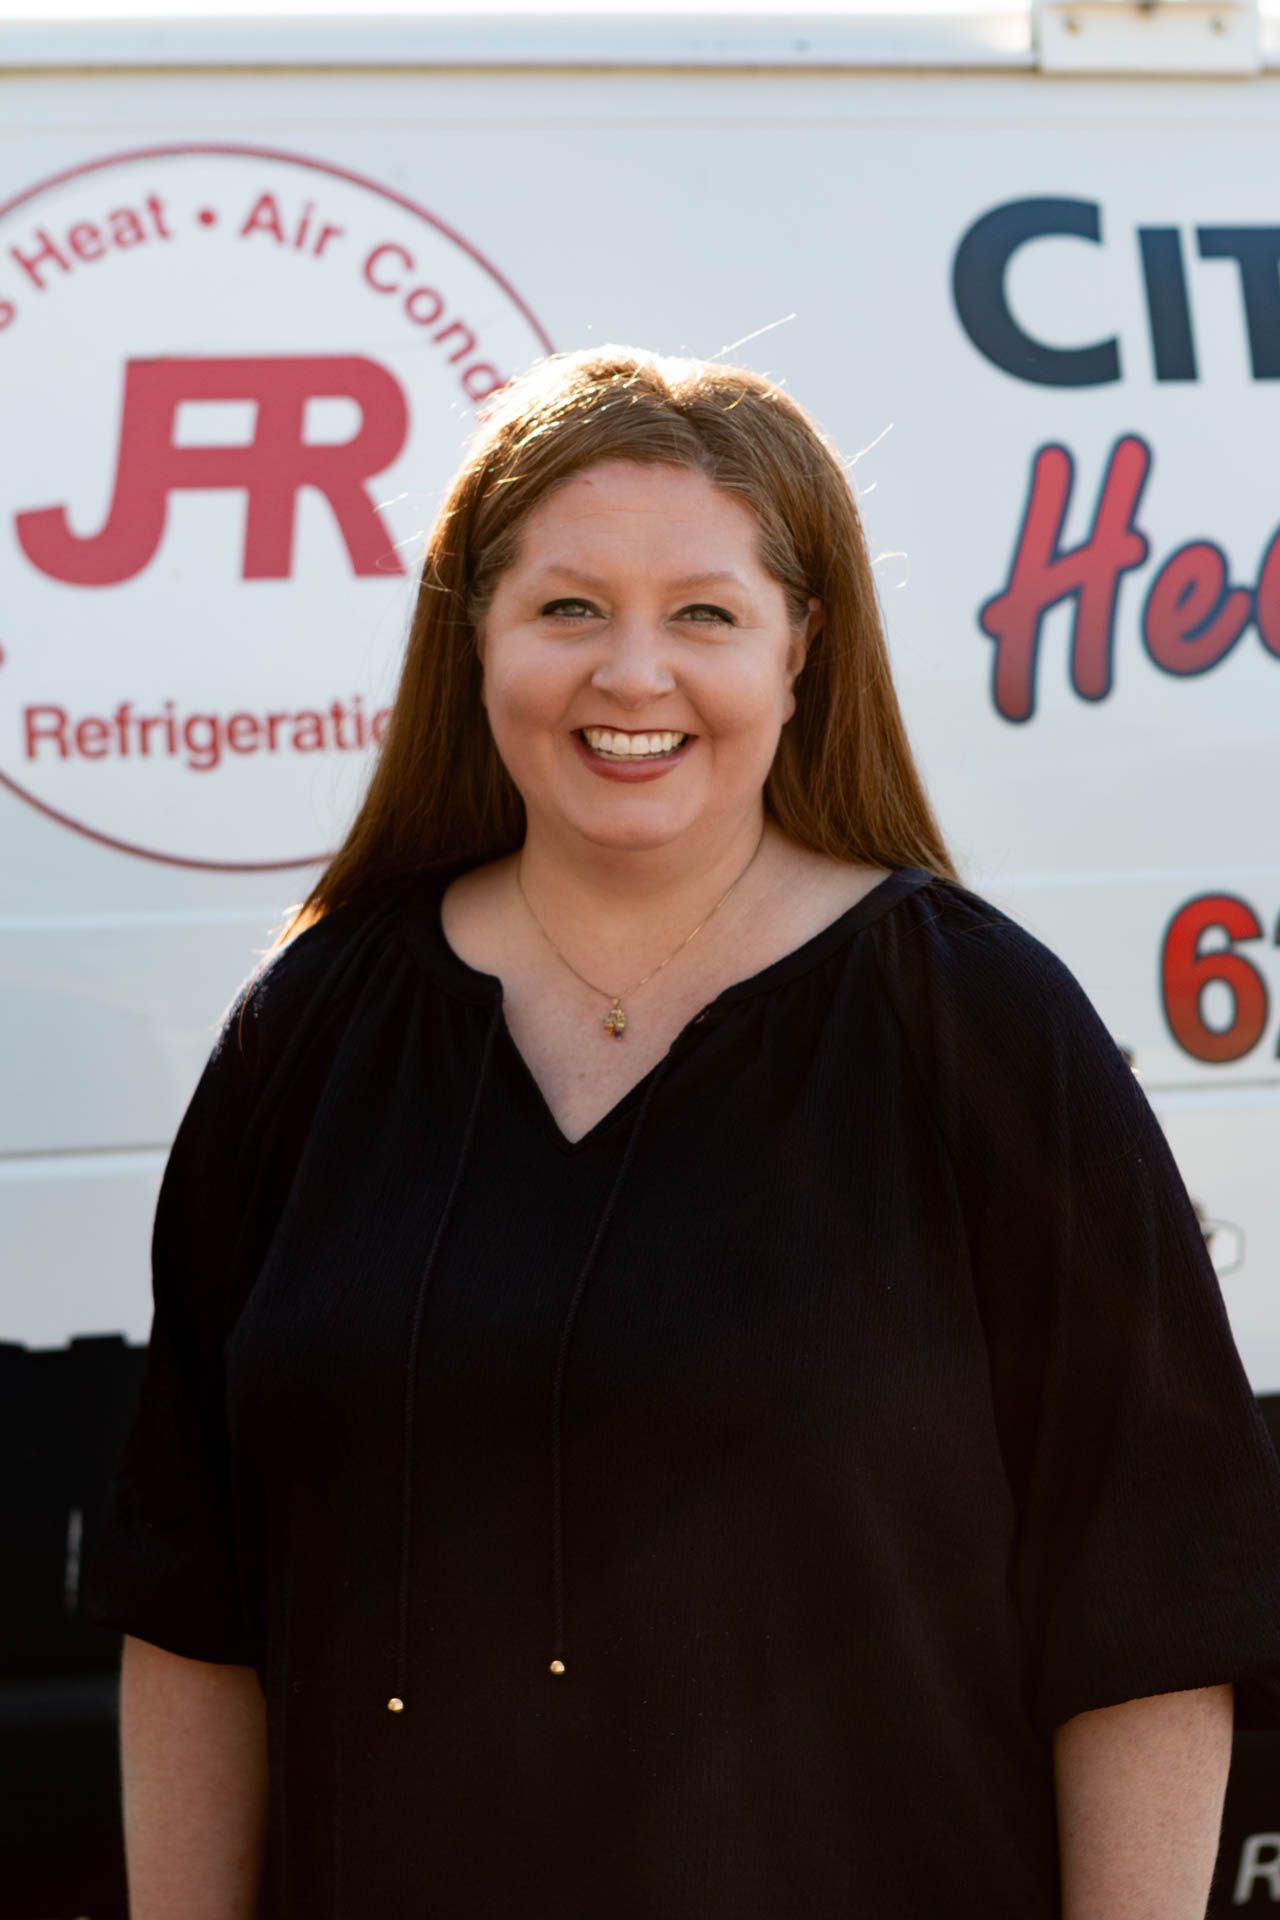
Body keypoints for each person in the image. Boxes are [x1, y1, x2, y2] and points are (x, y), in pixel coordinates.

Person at [82, 344, 1280, 1919]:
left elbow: (1145, 1618)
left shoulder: (981, 1027)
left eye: (704, 613)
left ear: (802, 651)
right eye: (568, 607)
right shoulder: (309, 1033)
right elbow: (193, 1609)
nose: (632, 675)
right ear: (474, 644)